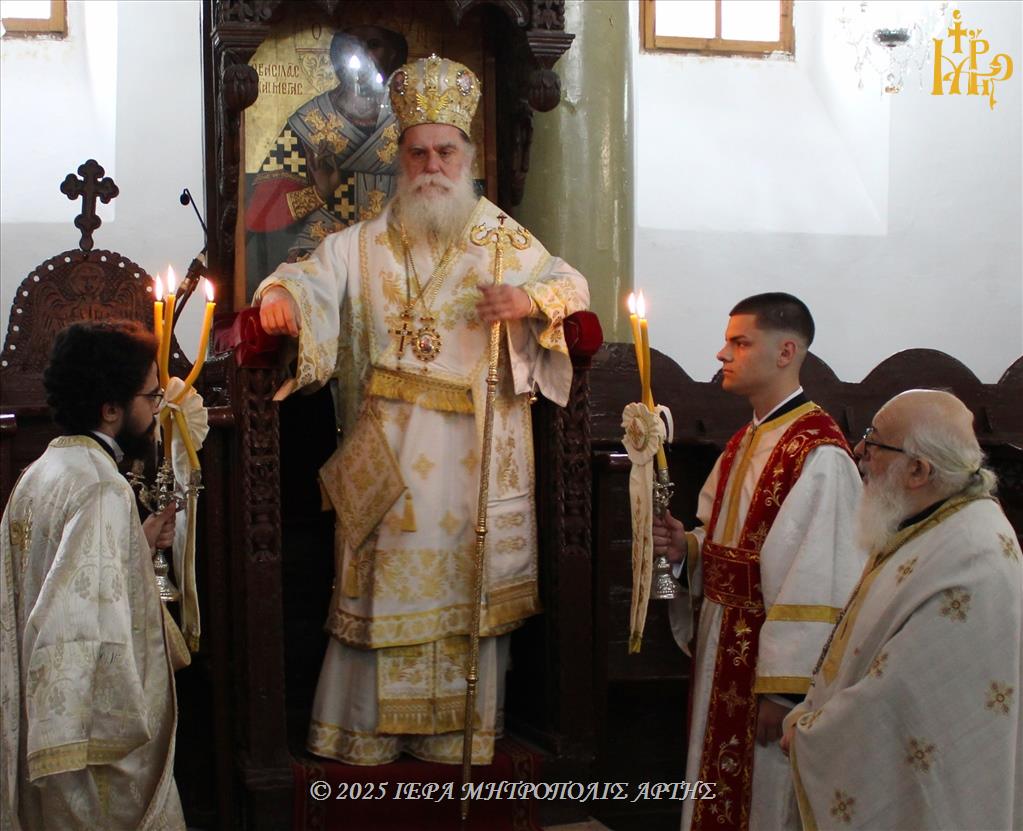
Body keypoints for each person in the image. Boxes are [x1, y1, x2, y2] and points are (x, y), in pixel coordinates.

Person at [257, 54, 589, 766]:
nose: (432, 166)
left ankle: (453, 734)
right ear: (399, 159)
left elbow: (570, 284)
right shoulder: (360, 244)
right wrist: (281, 297)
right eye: (417, 153)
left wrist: (528, 300)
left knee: (464, 594)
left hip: (472, 464)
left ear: (467, 158)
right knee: (378, 591)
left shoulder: (500, 239)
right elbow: (306, 278)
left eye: (445, 151)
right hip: (387, 458)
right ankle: (365, 734)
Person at [652, 293, 864, 831]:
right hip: (723, 644)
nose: (723, 354)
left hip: (766, 673)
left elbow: (820, 576)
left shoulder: (818, 452)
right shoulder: (747, 438)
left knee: (763, 799)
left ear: (786, 351)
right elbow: (725, 540)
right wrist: (687, 549)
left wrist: (785, 689)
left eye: (740, 342)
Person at [781, 389, 1022, 830]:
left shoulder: (974, 555)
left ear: (918, 470)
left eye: (874, 441)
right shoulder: (924, 522)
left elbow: (907, 694)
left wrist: (813, 733)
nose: (859, 451)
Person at [0, 320, 185, 830]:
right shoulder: (103, 488)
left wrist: (134, 541)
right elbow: (79, 624)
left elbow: (66, 580)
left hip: (31, 723)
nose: (157, 409)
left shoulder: (39, 473)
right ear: (110, 408)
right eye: (150, 396)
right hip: (82, 746)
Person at [247, 27, 408, 269]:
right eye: (352, 47)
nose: (363, 56)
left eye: (373, 45)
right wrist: (319, 193)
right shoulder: (311, 121)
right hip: (328, 240)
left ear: (393, 54)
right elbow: (261, 211)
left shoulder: (410, 115)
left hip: (396, 237)